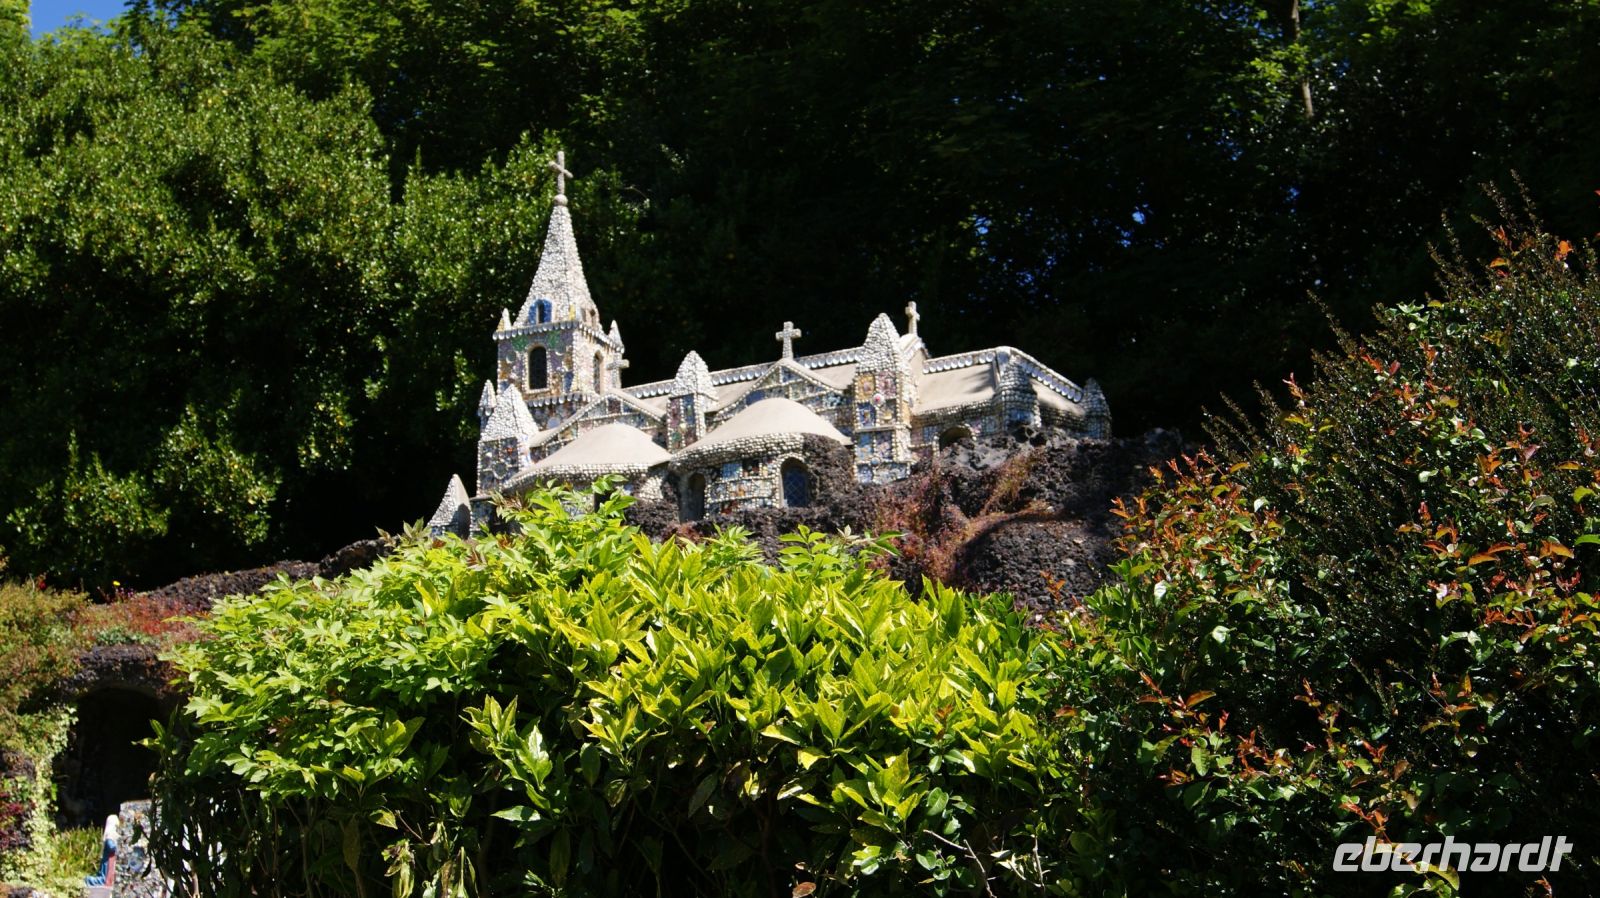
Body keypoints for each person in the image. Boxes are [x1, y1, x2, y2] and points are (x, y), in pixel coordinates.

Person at [84, 813, 118, 887]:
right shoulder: (109, 835)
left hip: (109, 860)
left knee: (106, 877)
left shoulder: (111, 835)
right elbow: (111, 847)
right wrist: (118, 847)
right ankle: (87, 880)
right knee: (104, 878)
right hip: (107, 861)